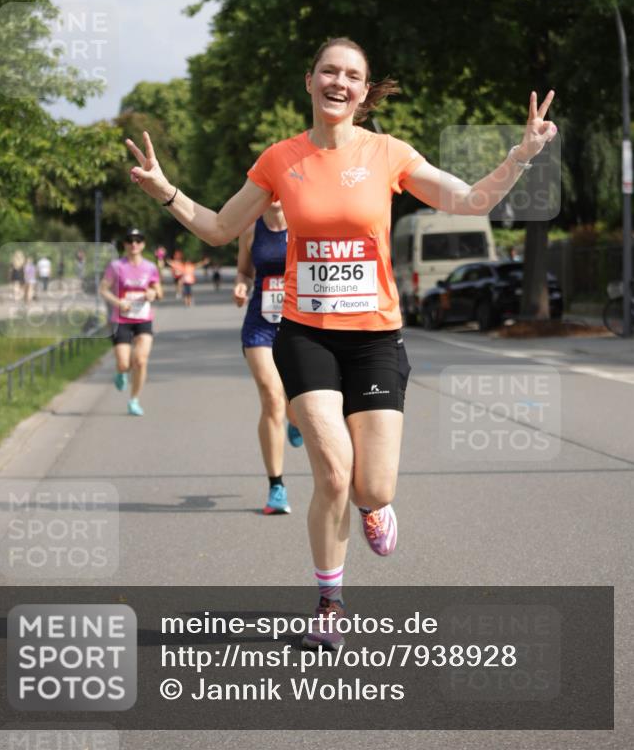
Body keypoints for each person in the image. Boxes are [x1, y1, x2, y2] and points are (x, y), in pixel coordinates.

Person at [126, 36, 557, 648]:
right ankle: (329, 603)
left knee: (370, 486)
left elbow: (470, 200)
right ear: (310, 81)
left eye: (352, 75)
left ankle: (376, 506)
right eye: (329, 71)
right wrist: (166, 191)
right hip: (305, 336)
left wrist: (521, 154)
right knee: (332, 471)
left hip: (376, 338)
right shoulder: (280, 159)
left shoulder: (388, 153)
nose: (339, 82)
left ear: (363, 89)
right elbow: (221, 228)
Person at [233, 202, 303, 516]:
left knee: (296, 403)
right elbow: (245, 273)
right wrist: (240, 286)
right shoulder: (250, 229)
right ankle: (276, 486)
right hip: (260, 325)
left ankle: (295, 419)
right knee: (272, 397)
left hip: (299, 325)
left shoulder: (305, 222)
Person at [99, 227, 163, 417]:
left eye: (137, 240)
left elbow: (159, 292)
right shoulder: (116, 266)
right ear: (125, 244)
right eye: (129, 240)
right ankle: (121, 372)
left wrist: (153, 293)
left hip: (143, 318)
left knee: (141, 361)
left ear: (143, 244)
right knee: (123, 363)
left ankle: (134, 400)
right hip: (121, 319)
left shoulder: (150, 267)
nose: (133, 244)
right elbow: (103, 289)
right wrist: (118, 303)